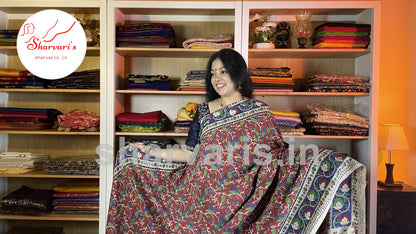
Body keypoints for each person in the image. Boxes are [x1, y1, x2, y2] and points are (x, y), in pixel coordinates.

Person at [106, 49, 366, 233]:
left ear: (238, 75)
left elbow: (275, 157)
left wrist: (321, 160)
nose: (217, 77)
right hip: (197, 197)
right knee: (128, 160)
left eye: (223, 71)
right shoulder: (203, 111)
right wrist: (150, 151)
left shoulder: (259, 112)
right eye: (212, 72)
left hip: (241, 199)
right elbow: (190, 153)